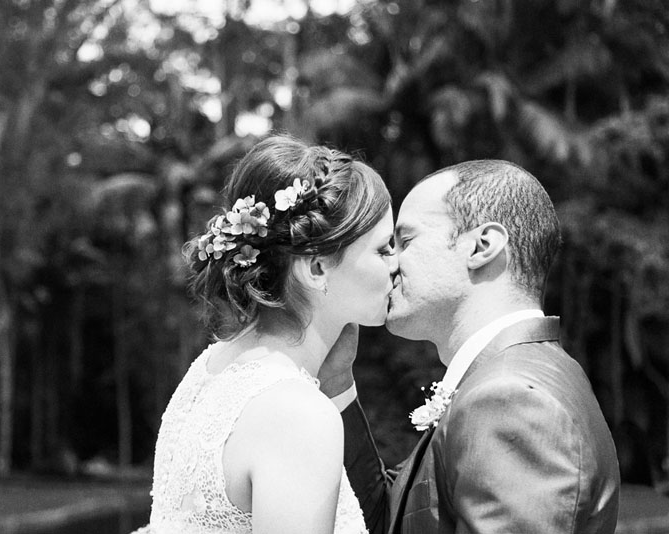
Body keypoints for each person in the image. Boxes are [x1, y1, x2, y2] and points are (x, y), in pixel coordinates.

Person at [319, 159, 621, 533]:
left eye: (405, 241)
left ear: (483, 246)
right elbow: (390, 522)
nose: (389, 264)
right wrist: (337, 381)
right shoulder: (510, 381)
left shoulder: (512, 400)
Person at [139, 134, 396, 534]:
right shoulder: (298, 414)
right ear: (316, 268)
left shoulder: (210, 368)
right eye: (384, 249)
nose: (397, 264)